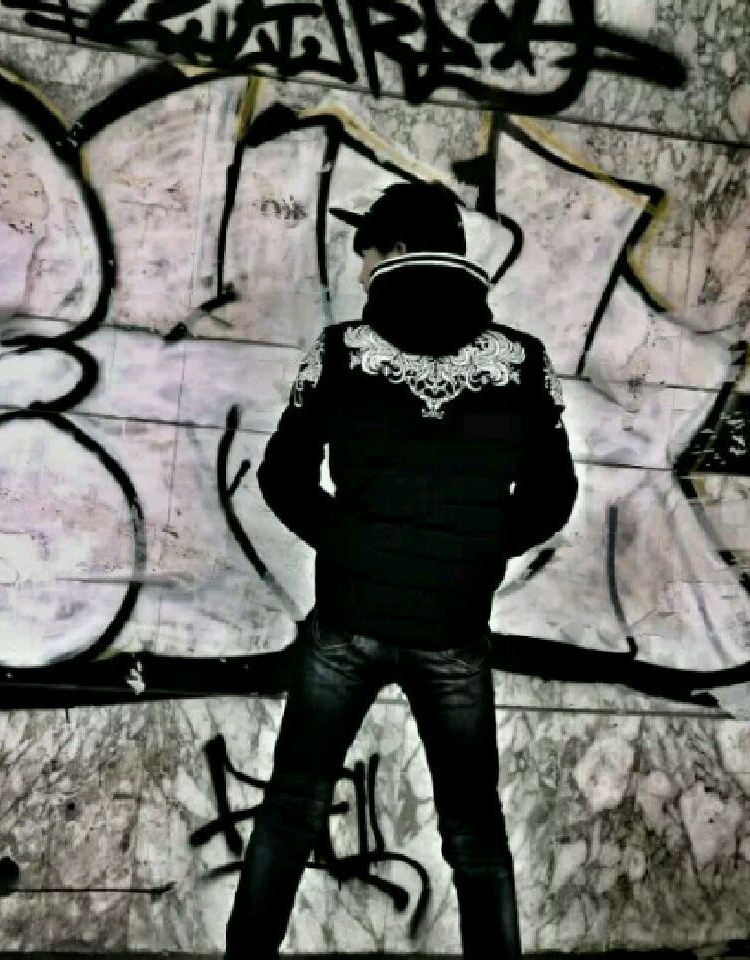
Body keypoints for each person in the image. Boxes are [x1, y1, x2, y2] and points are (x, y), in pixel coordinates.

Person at [224, 181, 579, 959]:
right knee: (475, 833)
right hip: (453, 632)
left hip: (346, 625)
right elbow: (555, 496)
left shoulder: (340, 351)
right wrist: (478, 550)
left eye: (366, 255)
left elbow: (281, 476)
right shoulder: (524, 362)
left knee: (290, 810)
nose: (358, 274)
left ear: (397, 251)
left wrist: (350, 543)